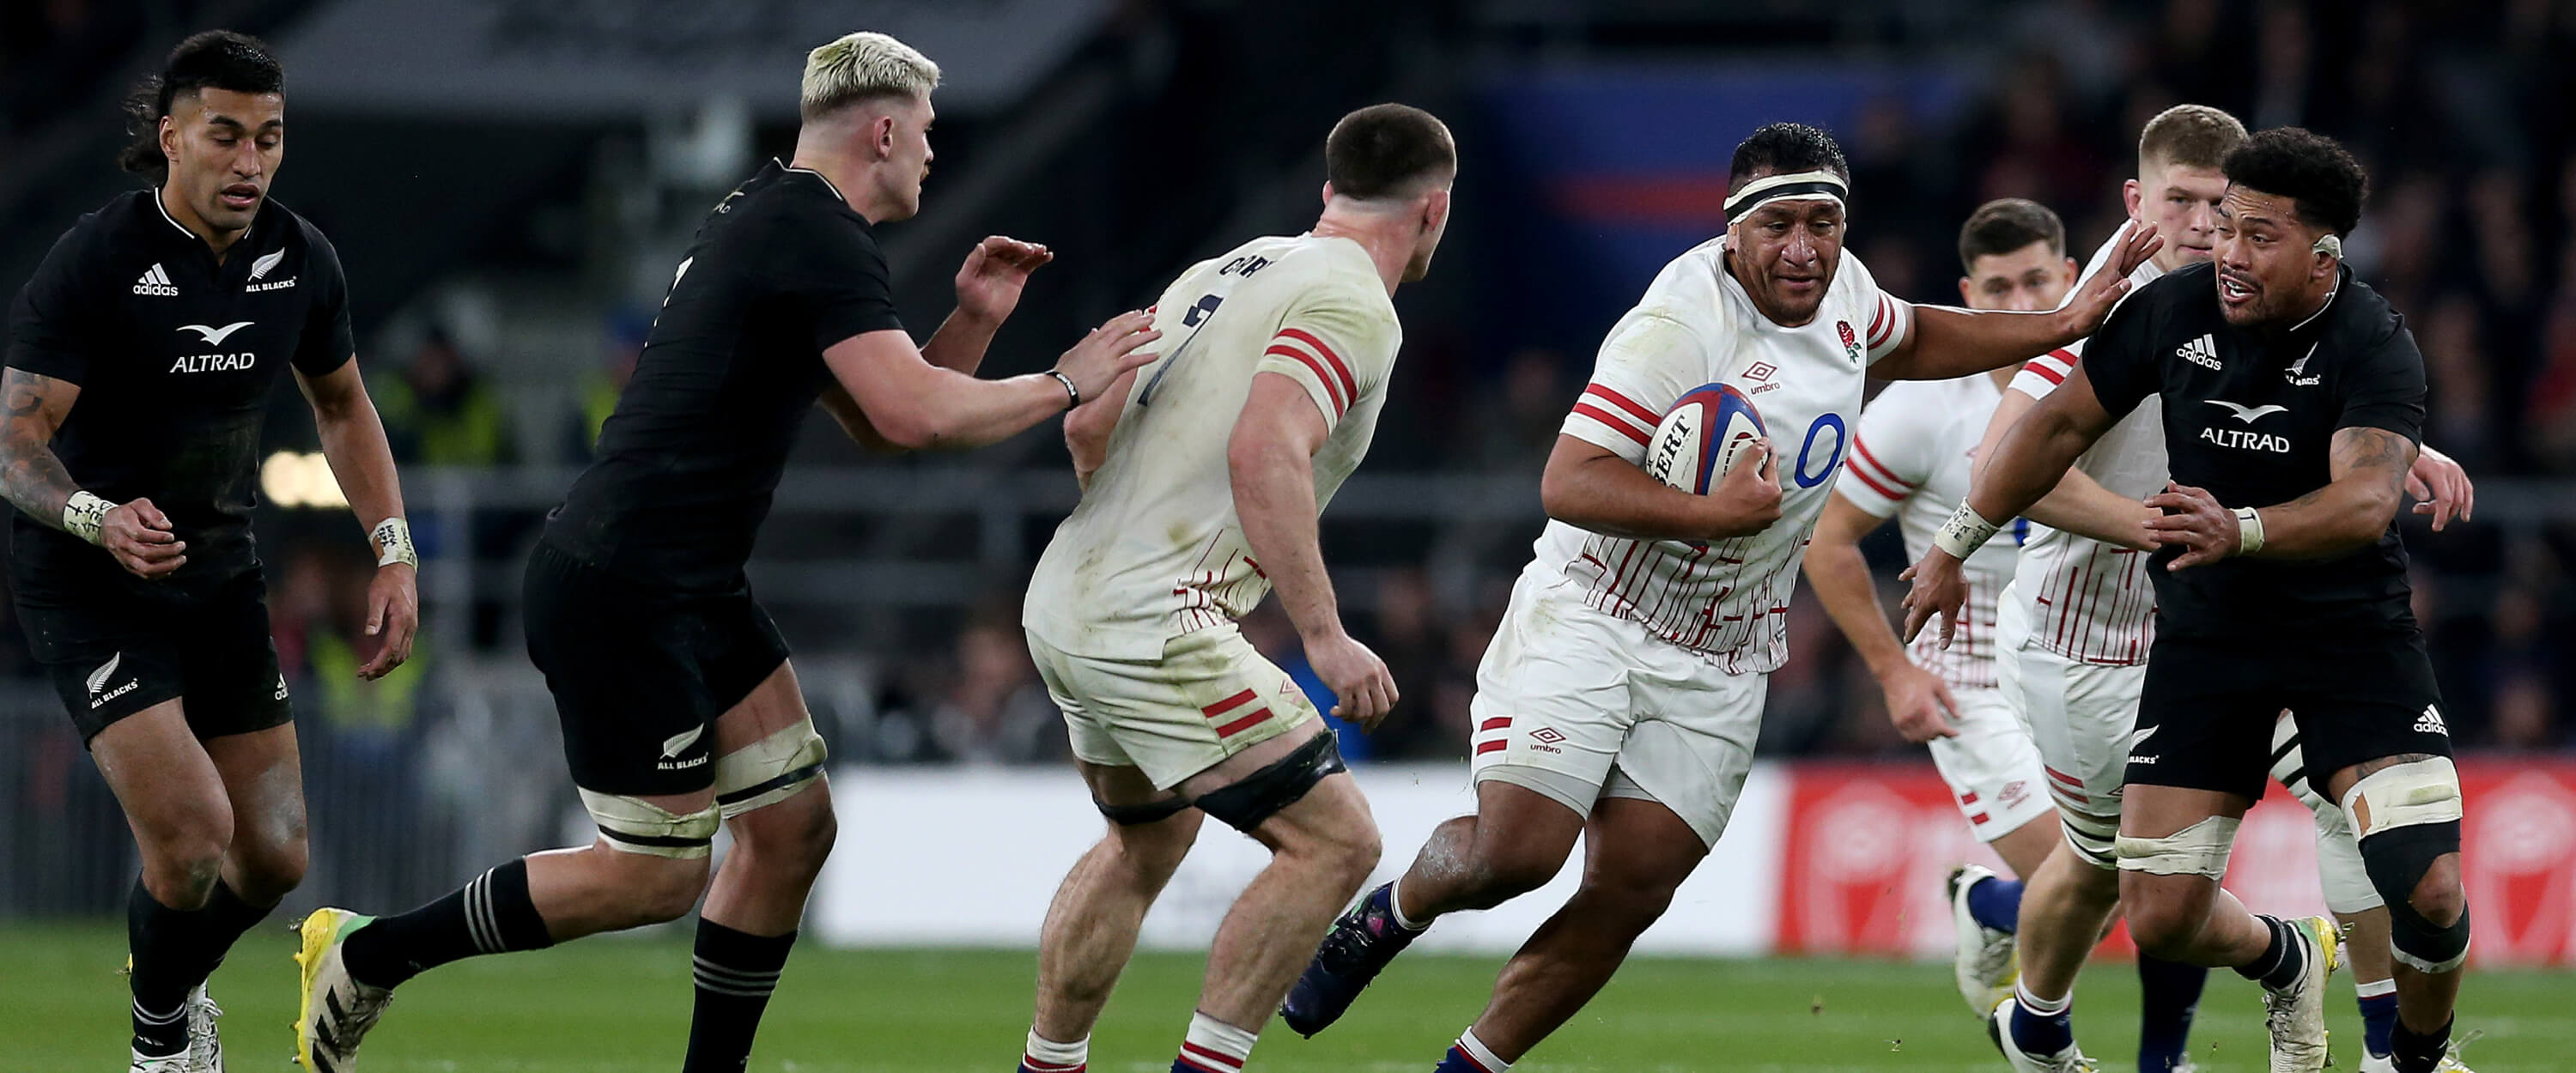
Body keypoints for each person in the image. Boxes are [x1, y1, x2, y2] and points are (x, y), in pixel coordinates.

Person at [292, 31, 1159, 1073]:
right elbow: (915, 415)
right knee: (655, 873)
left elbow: (885, 424)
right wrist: (1065, 382)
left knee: (793, 828)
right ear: (883, 129)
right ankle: (370, 949)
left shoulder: (779, 218)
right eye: (926, 132)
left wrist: (971, 323)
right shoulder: (809, 233)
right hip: (625, 584)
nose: (933, 152)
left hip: (687, 582)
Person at [1279, 121, 2160, 1073]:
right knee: (1518, 852)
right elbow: (1569, 479)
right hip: (1598, 610)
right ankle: (1393, 909)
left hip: (1725, 648)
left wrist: (2059, 326)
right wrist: (1708, 512)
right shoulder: (1679, 322)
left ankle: (1467, 1066)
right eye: (1780, 224)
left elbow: (1912, 334)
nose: (1804, 247)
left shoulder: (1844, 291)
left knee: (1632, 889)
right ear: (1733, 228)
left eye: (1824, 222)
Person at [1906, 127, 2472, 1073]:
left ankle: (2403, 1052)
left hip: (2343, 639)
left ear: (2323, 254)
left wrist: (2253, 519)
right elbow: (2035, 441)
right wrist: (1955, 544)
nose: (2222, 245)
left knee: (2423, 876)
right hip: (2144, 645)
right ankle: (2050, 995)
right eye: (2203, 214)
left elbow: (2363, 493)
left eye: (2249, 229)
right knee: (2137, 897)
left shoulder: (2372, 335)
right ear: (2138, 203)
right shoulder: (2149, 311)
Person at [0, 31, 417, 1073]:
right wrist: (96, 515)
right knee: (190, 838)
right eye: (226, 136)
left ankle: (178, 993)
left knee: (274, 853)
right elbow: (13, 438)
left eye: (269, 138)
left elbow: (344, 405)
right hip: (89, 573)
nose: (250, 162)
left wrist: (396, 550)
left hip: (215, 567)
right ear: (171, 135)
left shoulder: (300, 258)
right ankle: (161, 1038)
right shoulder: (97, 258)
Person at [1009, 102, 1454, 1073]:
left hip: (1065, 593)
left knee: (1143, 842)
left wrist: (1118, 547)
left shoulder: (1228, 266)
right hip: (1150, 617)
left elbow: (1089, 427)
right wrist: (1327, 635)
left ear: (1328, 191)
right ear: (1435, 211)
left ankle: (1046, 1064)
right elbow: (1265, 448)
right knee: (1336, 842)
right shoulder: (1353, 304)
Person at [1798, 198, 2212, 1043]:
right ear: (1967, 294)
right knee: (2096, 884)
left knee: (2147, 873)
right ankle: (2006, 926)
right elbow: (1827, 540)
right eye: (1997, 288)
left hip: (2095, 653)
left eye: (2036, 282)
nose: (2021, 303)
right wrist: (1894, 670)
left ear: (2072, 279)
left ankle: (2013, 928)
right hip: (1975, 676)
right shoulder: (1922, 408)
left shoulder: (2121, 373)